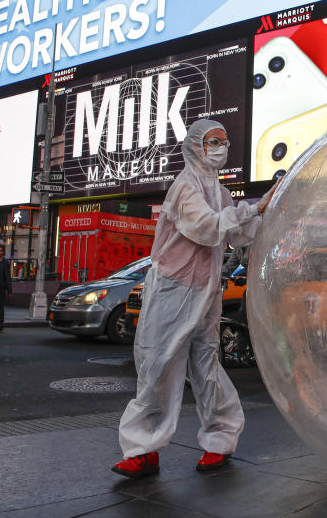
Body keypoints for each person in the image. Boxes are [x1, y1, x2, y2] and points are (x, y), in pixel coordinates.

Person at [112, 120, 274, 479]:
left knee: (208, 367)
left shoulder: (220, 192)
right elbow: (205, 226)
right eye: (214, 141)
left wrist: (264, 212)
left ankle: (219, 441)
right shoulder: (185, 186)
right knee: (158, 366)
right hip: (174, 290)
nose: (221, 147)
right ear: (196, 146)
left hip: (206, 293)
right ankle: (144, 450)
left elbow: (237, 233)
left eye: (226, 141)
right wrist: (252, 210)